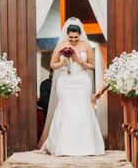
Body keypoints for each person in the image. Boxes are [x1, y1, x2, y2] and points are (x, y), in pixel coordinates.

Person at [39, 18, 105, 156]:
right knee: (66, 108)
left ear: (79, 35)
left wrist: (80, 61)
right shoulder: (61, 46)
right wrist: (63, 63)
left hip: (82, 82)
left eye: (76, 37)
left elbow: (91, 65)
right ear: (67, 35)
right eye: (71, 37)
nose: (73, 40)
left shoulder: (86, 46)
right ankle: (62, 146)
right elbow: (52, 64)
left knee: (82, 108)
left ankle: (86, 146)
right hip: (65, 82)